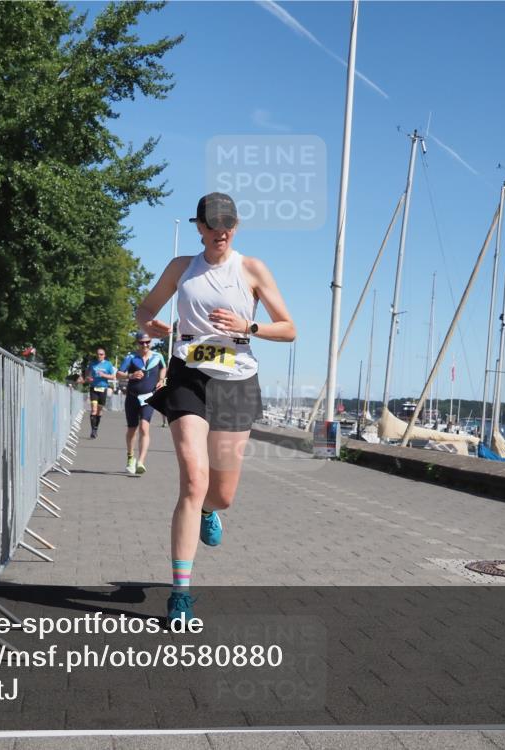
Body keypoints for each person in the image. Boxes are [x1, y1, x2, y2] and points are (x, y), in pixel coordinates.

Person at [137, 192, 295, 623]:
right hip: (189, 376)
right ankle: (180, 594)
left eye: (228, 223)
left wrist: (251, 326)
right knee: (192, 479)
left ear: (235, 226)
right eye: (213, 223)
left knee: (221, 494)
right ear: (200, 227)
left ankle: (210, 511)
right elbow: (146, 307)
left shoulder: (252, 269)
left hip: (237, 383)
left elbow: (290, 328)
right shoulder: (180, 268)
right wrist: (148, 322)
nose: (221, 230)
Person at [116, 334, 167, 475]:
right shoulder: (131, 357)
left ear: (151, 342)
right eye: (141, 343)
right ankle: (130, 457)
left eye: (147, 342)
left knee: (144, 428)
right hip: (132, 398)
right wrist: (130, 376)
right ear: (137, 343)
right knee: (132, 430)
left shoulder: (158, 356)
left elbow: (163, 368)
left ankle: (141, 462)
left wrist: (161, 379)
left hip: (149, 398)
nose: (145, 345)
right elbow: (118, 374)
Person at [85, 347, 116, 438]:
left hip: (103, 388)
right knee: (94, 410)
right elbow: (87, 373)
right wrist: (88, 378)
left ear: (104, 355)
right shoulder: (93, 364)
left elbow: (113, 376)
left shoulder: (108, 364)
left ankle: (96, 427)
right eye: (98, 354)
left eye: (101, 354)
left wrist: (104, 375)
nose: (99, 356)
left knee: (99, 411)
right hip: (93, 388)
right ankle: (93, 431)